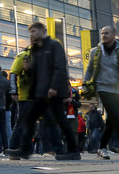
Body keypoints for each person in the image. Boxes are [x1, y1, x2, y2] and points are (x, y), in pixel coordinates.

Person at [6, 22, 81, 161]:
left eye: (34, 31)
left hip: (53, 92)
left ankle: (73, 151)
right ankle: (25, 149)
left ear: (43, 31)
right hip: (40, 93)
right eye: (30, 32)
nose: (31, 34)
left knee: (60, 121)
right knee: (30, 119)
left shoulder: (54, 45)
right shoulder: (35, 49)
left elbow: (59, 68)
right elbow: (37, 73)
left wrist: (54, 87)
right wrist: (29, 70)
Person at [83, 25, 119, 160]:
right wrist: (85, 83)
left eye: (106, 33)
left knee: (111, 121)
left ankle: (102, 148)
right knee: (116, 116)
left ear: (114, 34)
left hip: (118, 89)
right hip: (102, 88)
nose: (103, 35)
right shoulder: (95, 51)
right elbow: (89, 69)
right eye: (102, 33)